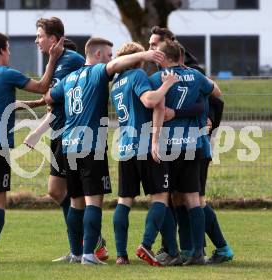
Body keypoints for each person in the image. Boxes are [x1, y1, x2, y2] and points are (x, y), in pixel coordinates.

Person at [44, 37, 165, 265]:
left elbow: (50, 97)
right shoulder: (98, 72)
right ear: (98, 55)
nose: (112, 59)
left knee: (75, 202)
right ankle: (89, 254)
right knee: (93, 202)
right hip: (91, 145)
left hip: (68, 146)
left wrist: (50, 102)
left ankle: (75, 252)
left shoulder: (69, 78)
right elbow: (116, 66)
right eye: (109, 55)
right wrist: (144, 55)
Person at [0, 31, 63, 263]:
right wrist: (53, 59)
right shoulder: (6, 73)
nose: (10, 53)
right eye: (9, 49)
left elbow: (1, 105)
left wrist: (34, 104)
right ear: (3, 50)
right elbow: (43, 85)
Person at [16, 17, 113, 262]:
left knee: (64, 191)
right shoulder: (58, 61)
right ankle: (83, 245)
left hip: (70, 134)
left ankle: (89, 244)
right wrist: (36, 103)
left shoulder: (70, 61)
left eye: (39, 35)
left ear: (53, 38)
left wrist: (37, 131)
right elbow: (51, 96)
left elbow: (66, 105)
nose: (36, 40)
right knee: (58, 190)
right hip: (65, 135)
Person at [149, 26, 233, 264]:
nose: (151, 51)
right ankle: (195, 252)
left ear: (166, 53)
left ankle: (187, 249)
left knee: (176, 199)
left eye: (155, 47)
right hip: (195, 144)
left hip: (170, 145)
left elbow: (151, 103)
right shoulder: (196, 75)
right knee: (193, 199)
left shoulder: (158, 78)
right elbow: (216, 91)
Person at [109, 42, 181, 266]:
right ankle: (146, 245)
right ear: (137, 58)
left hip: (125, 148)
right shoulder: (137, 74)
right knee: (160, 197)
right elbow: (150, 100)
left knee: (124, 201)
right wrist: (167, 85)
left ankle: (121, 255)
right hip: (145, 145)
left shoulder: (115, 84)